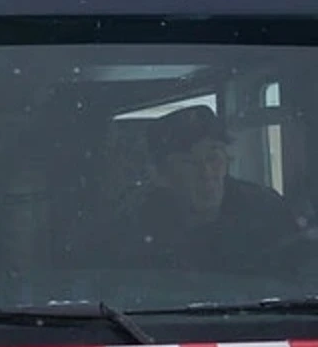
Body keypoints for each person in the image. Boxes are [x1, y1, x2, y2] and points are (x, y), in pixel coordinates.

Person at [129, 105, 303, 276]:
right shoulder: (136, 225)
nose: (206, 173)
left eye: (213, 158)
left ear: (227, 161)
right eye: (189, 163)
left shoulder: (267, 211)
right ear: (159, 175)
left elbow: (298, 282)